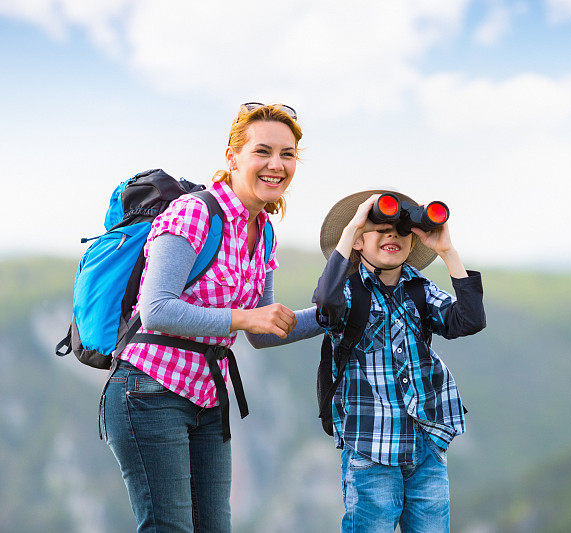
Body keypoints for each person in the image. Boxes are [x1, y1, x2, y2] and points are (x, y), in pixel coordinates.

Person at [102, 103, 322, 532]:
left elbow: (265, 331)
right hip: (149, 392)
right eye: (263, 151)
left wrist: (336, 314)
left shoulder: (264, 233)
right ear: (232, 157)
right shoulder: (195, 213)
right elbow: (157, 309)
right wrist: (243, 319)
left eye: (288, 154)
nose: (276, 165)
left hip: (207, 398)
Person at [313, 191, 486, 532]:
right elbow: (325, 303)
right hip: (370, 447)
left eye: (402, 229)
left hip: (425, 445)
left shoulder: (419, 289)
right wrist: (351, 230)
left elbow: (469, 321)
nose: (393, 234)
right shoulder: (349, 292)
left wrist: (447, 252)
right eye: (379, 228)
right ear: (359, 242)